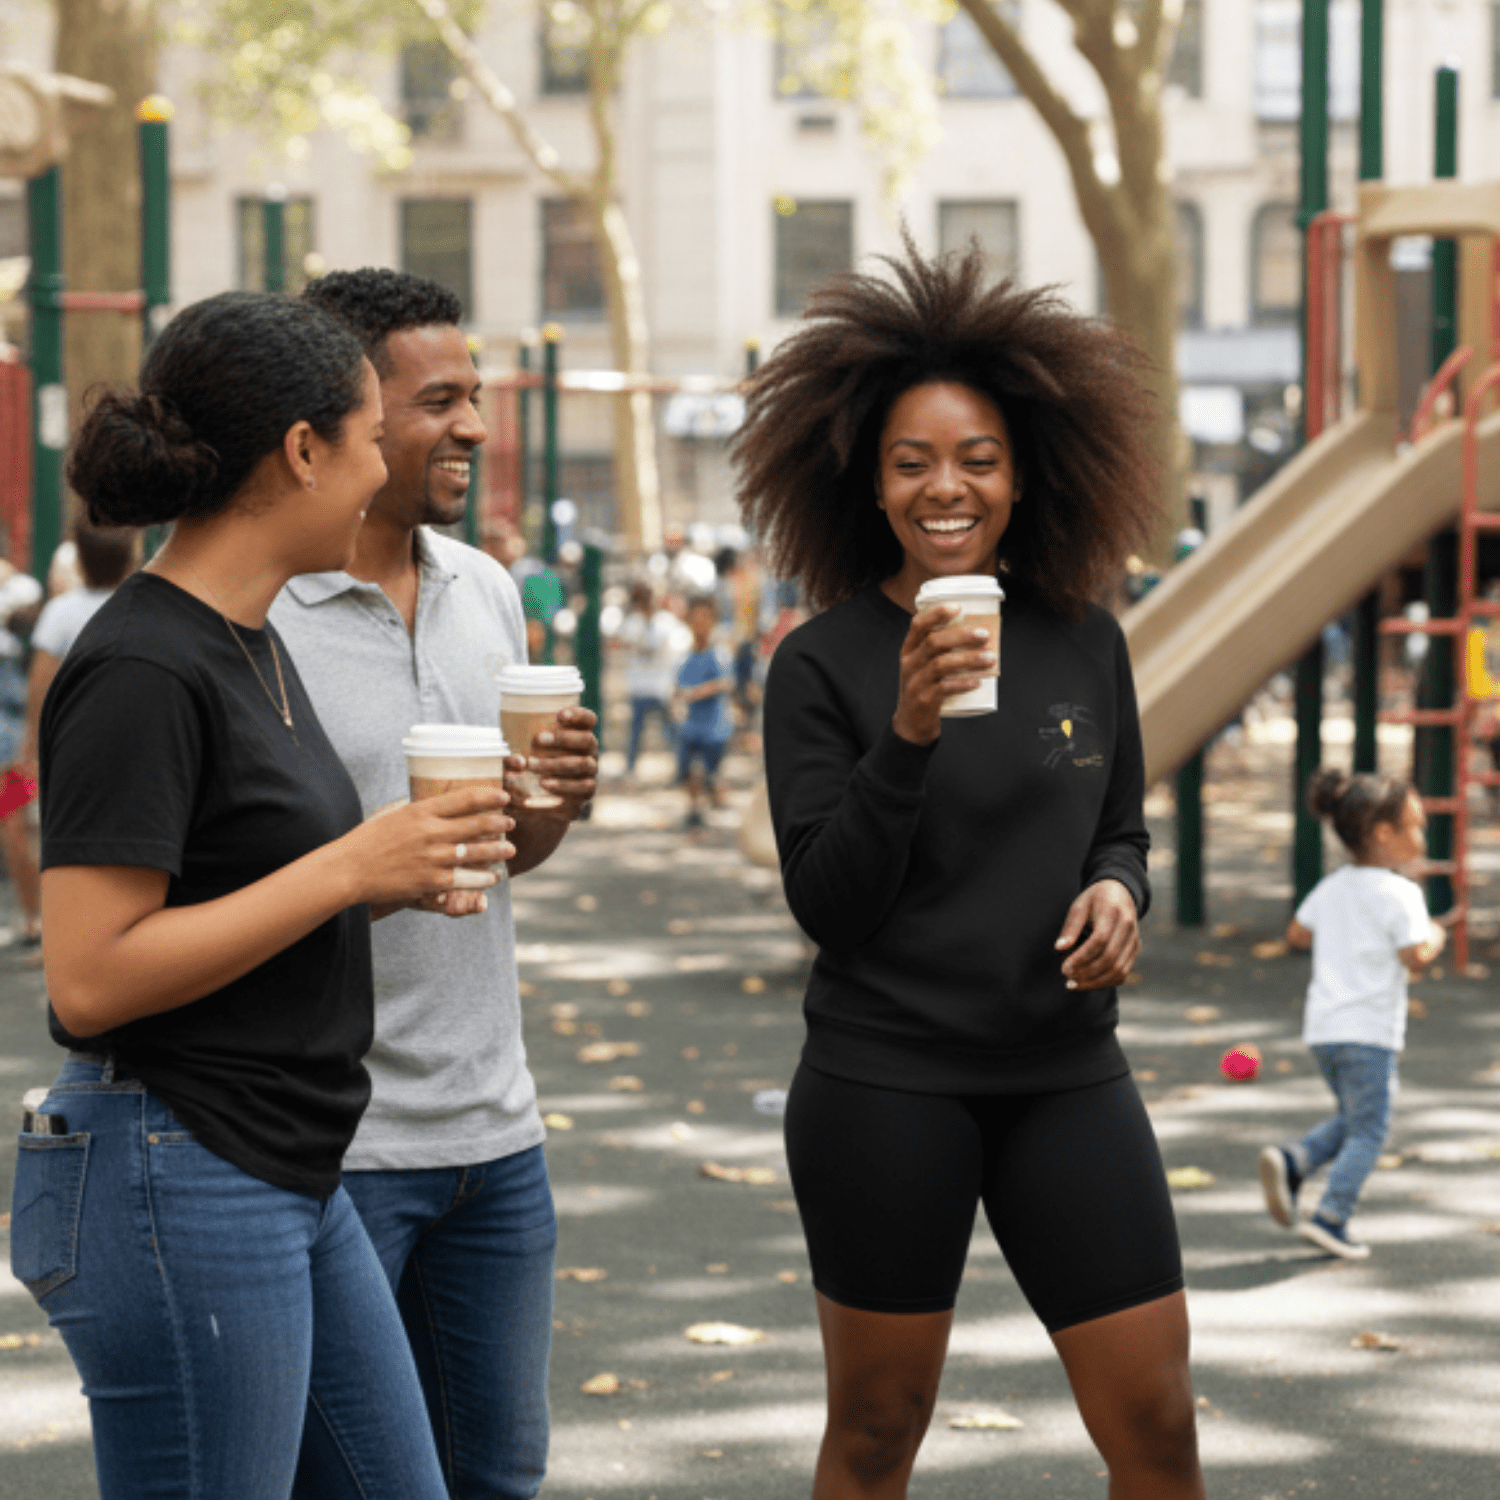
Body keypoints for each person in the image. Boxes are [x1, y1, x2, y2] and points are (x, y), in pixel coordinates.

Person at [9, 291, 512, 1500]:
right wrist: (350, 866)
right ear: (302, 450)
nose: (385, 464)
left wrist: (383, 877)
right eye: (370, 436)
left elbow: (250, 894)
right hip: (173, 1163)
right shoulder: (140, 662)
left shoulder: (247, 639)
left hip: (282, 1163)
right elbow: (89, 978)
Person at [737, 243, 1203, 1498]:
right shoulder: (823, 665)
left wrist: (1121, 892)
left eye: (978, 460)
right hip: (885, 1083)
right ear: (868, 486)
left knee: (1158, 1427)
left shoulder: (1085, 638)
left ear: (1024, 475)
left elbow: (1120, 829)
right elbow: (828, 902)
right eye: (912, 462)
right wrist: (911, 730)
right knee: (878, 1435)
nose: (947, 487)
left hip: (1067, 1074)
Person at [273, 268, 598, 1500]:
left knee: (498, 1481)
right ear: (345, 418)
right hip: (334, 1143)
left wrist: (552, 803)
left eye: (480, 396)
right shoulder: (261, 614)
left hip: (494, 1133)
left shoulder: (490, 593)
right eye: (441, 400)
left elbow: (508, 851)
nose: (474, 425)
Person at [1259, 769, 1445, 1260]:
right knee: (1371, 1128)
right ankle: (1332, 1215)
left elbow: (1297, 935)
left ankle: (1295, 1161)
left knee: (1358, 1116)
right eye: (1416, 826)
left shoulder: (1334, 885)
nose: (1422, 837)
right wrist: (1437, 935)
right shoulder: (1402, 895)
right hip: (1370, 1031)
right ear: (1385, 834)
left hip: (1325, 1029)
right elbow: (1416, 957)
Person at [2, 517, 140, 954]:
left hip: (58, 747)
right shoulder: (139, 604)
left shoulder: (61, 612)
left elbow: (40, 688)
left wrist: (28, 753)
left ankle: (35, 919)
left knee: (15, 821)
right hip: (122, 744)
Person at [674, 595, 734, 828]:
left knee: (712, 771)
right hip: (691, 725)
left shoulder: (719, 654)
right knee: (691, 771)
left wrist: (697, 693)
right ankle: (694, 809)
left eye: (705, 619)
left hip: (715, 726)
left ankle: (714, 795)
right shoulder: (684, 657)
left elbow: (726, 683)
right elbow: (678, 689)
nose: (700, 624)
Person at [616, 579, 681, 777]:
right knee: (636, 732)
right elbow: (624, 644)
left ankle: (681, 767)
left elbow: (675, 650)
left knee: (670, 731)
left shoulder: (666, 622)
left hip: (661, 686)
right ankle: (631, 767)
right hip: (640, 686)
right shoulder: (632, 623)